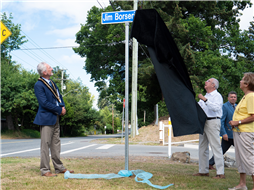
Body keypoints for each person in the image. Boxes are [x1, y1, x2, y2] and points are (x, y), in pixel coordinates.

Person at [33, 62, 74, 177]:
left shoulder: (52, 82)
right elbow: (44, 103)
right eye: (50, 67)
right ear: (44, 72)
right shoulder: (39, 85)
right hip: (46, 118)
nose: (52, 69)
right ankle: (45, 170)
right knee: (45, 145)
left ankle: (59, 168)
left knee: (56, 143)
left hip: (55, 117)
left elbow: (59, 96)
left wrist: (62, 106)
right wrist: (58, 109)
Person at [193, 78, 225, 179]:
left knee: (215, 146)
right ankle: (203, 170)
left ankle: (220, 172)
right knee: (202, 147)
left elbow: (216, 108)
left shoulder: (217, 96)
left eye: (208, 81)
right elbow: (200, 107)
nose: (205, 82)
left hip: (213, 121)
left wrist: (204, 100)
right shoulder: (206, 96)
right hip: (203, 121)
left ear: (213, 85)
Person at [228, 72, 254, 190]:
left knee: (248, 158)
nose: (240, 81)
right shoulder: (246, 96)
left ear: (247, 83)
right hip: (239, 132)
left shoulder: (251, 96)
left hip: (245, 132)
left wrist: (237, 122)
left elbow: (253, 116)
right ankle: (242, 184)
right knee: (241, 159)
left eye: (242, 79)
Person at [209, 91, 237, 170]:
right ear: (228, 98)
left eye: (234, 97)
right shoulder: (224, 106)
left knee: (221, 151)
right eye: (231, 97)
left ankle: (210, 163)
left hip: (236, 133)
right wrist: (223, 133)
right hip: (228, 135)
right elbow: (221, 121)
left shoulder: (237, 106)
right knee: (221, 151)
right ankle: (210, 163)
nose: (233, 98)